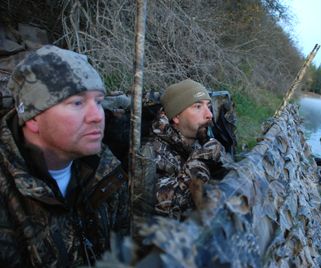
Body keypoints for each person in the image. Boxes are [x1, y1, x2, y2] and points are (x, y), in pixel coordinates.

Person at [0, 45, 129, 267]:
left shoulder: (105, 171)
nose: (97, 116)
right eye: (77, 103)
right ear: (32, 118)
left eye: (98, 101)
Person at [140, 79, 229, 220]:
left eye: (209, 106)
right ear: (176, 116)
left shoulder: (199, 141)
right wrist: (202, 159)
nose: (209, 115)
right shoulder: (151, 154)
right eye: (198, 106)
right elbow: (172, 210)